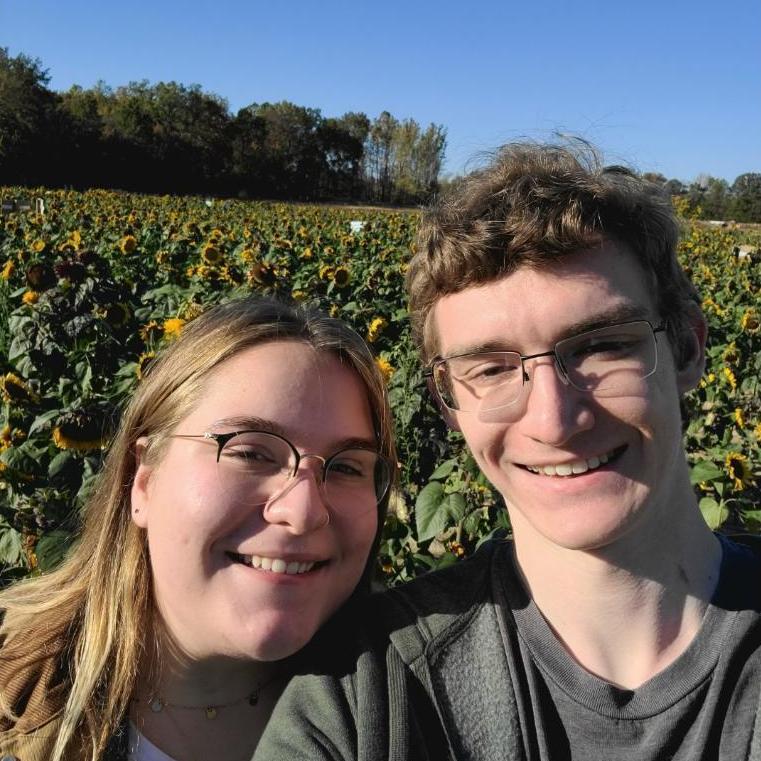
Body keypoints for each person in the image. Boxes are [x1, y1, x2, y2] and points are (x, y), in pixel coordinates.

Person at [254, 143, 761, 761]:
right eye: (490, 369)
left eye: (600, 347)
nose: (554, 420)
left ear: (686, 348)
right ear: (447, 404)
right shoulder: (366, 699)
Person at [0, 296, 396, 761]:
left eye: (348, 466)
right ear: (142, 479)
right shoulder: (17, 697)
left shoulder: (412, 710)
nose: (304, 510)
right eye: (250, 452)